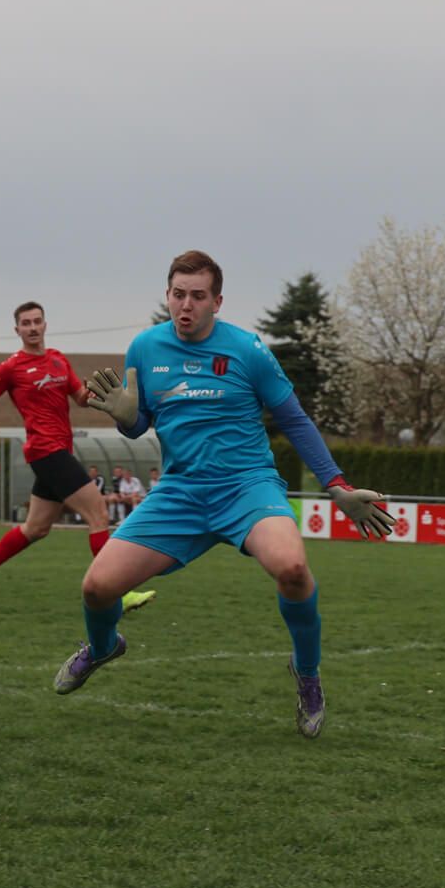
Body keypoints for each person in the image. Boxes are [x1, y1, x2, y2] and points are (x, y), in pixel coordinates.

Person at [54, 250, 394, 740]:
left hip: (247, 486)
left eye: (197, 296)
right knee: (96, 588)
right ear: (167, 295)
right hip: (180, 492)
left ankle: (307, 672)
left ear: (217, 302)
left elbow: (295, 420)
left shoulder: (248, 350)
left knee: (293, 569)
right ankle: (104, 647)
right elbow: (139, 423)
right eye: (178, 294)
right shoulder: (144, 349)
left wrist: (336, 486)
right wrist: (126, 419)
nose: (185, 305)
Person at [0, 302, 155, 614]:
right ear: (17, 330)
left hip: (60, 451)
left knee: (36, 528)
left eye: (37, 321)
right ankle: (117, 593)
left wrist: (100, 396)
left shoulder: (58, 359)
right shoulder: (11, 367)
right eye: (26, 323)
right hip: (45, 451)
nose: (33, 327)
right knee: (99, 514)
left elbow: (79, 398)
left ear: (45, 325)